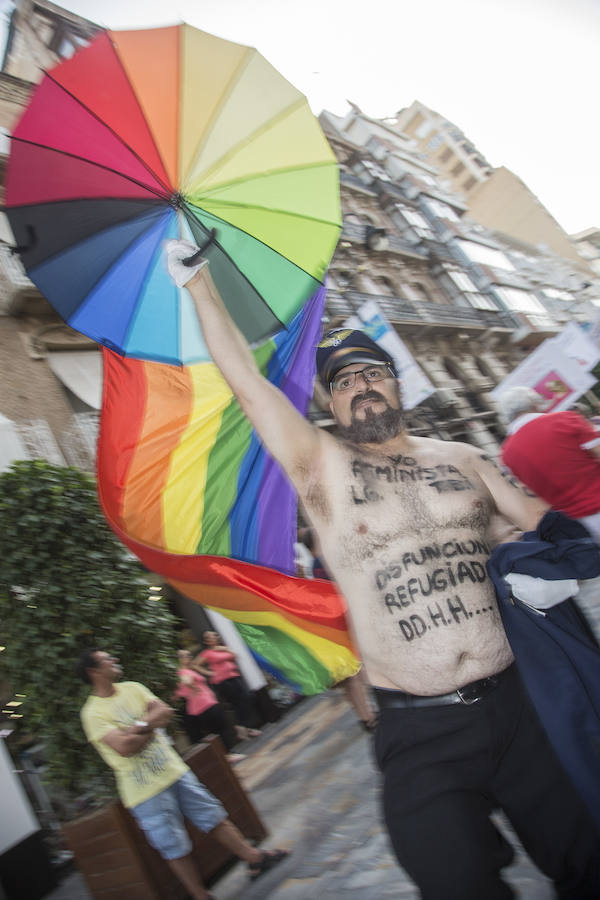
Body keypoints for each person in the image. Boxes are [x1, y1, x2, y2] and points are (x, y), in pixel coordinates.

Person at [164, 242, 600, 899]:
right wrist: (200, 287)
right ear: (330, 406)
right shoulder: (321, 469)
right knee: (451, 877)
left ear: (395, 383)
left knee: (588, 861)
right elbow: (249, 389)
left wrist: (543, 558)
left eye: (370, 373)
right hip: (420, 729)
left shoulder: (462, 459)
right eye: (341, 382)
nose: (359, 387)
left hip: (520, 703)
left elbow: (549, 527)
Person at [77, 648, 288, 900]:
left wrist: (136, 728)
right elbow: (124, 748)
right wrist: (148, 724)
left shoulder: (133, 688)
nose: (115, 660)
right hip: (145, 792)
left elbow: (164, 712)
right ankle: (200, 896)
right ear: (93, 671)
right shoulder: (92, 714)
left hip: (174, 771)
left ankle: (254, 859)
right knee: (173, 847)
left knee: (214, 816)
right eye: (107, 660)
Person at [498, 386, 600, 542]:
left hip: (578, 527)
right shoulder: (565, 419)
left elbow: (530, 495)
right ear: (534, 403)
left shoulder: (506, 455)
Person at [174, 649, 245, 763]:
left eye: (189, 654)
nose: (189, 657)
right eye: (185, 656)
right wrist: (192, 686)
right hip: (205, 704)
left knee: (218, 729)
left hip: (205, 704)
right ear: (179, 659)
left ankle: (226, 755)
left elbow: (177, 694)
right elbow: (186, 681)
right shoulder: (183, 672)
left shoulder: (186, 671)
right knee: (220, 729)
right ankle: (227, 755)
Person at [196, 631, 262, 740]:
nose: (215, 637)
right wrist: (209, 673)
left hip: (234, 676)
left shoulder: (222, 648)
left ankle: (243, 727)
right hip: (222, 680)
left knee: (247, 698)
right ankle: (244, 727)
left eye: (215, 636)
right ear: (207, 641)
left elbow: (235, 655)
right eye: (212, 637)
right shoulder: (207, 653)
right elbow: (195, 664)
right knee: (238, 702)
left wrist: (224, 649)